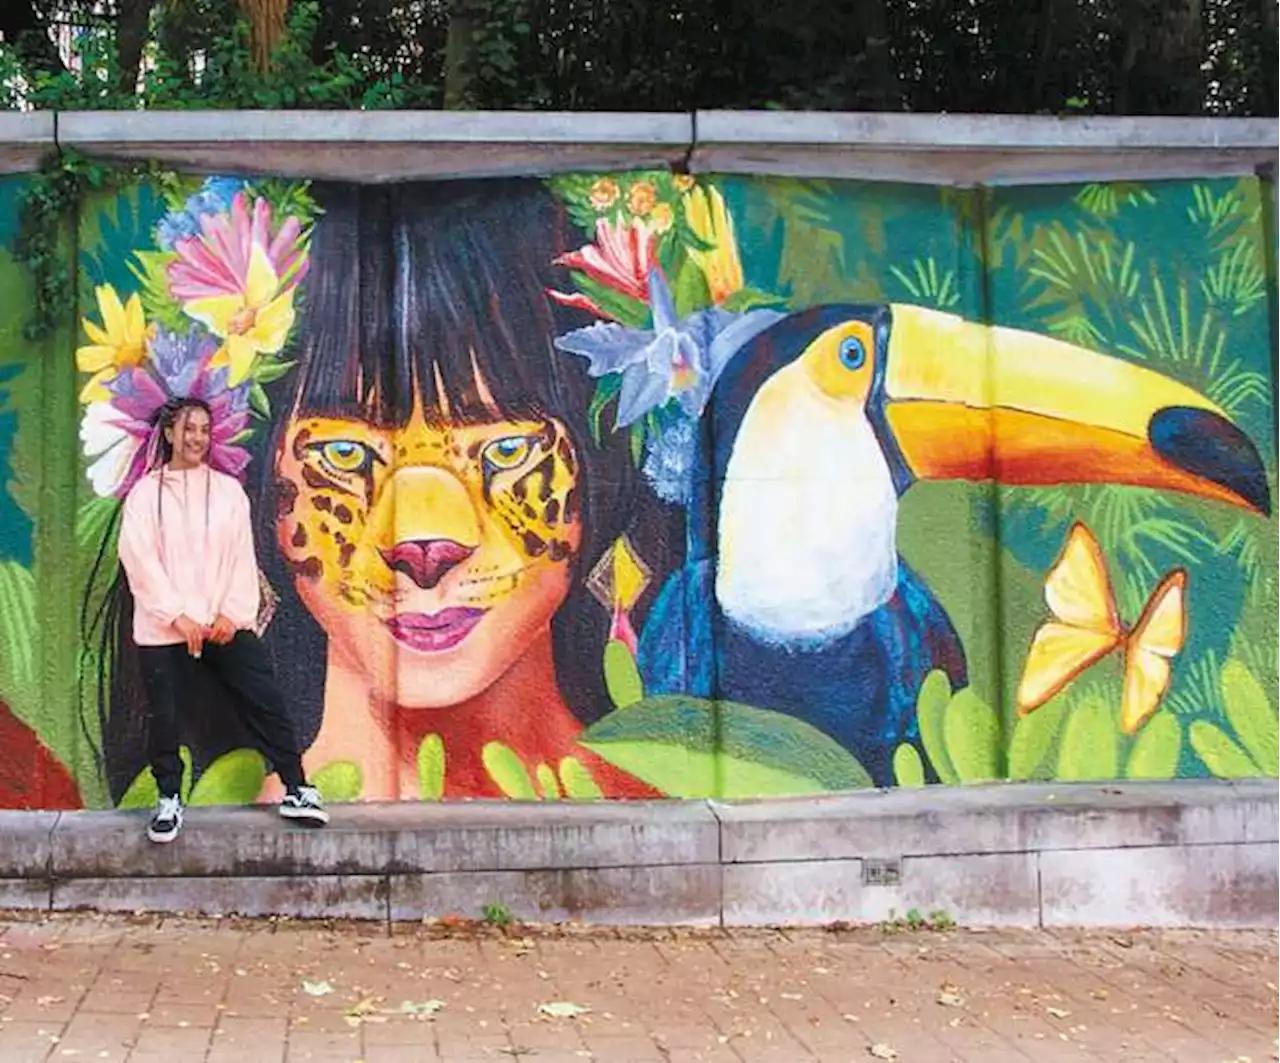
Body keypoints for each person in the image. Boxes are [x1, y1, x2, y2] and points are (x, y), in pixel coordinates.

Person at [116, 395, 329, 841]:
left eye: (204, 430)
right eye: (188, 429)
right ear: (171, 433)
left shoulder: (228, 492)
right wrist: (178, 617)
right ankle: (169, 799)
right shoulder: (145, 495)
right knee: (165, 714)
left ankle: (297, 786)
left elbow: (240, 557)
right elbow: (139, 558)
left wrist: (230, 615)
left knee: (263, 698)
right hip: (163, 629)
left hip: (222, 623)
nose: (197, 438)